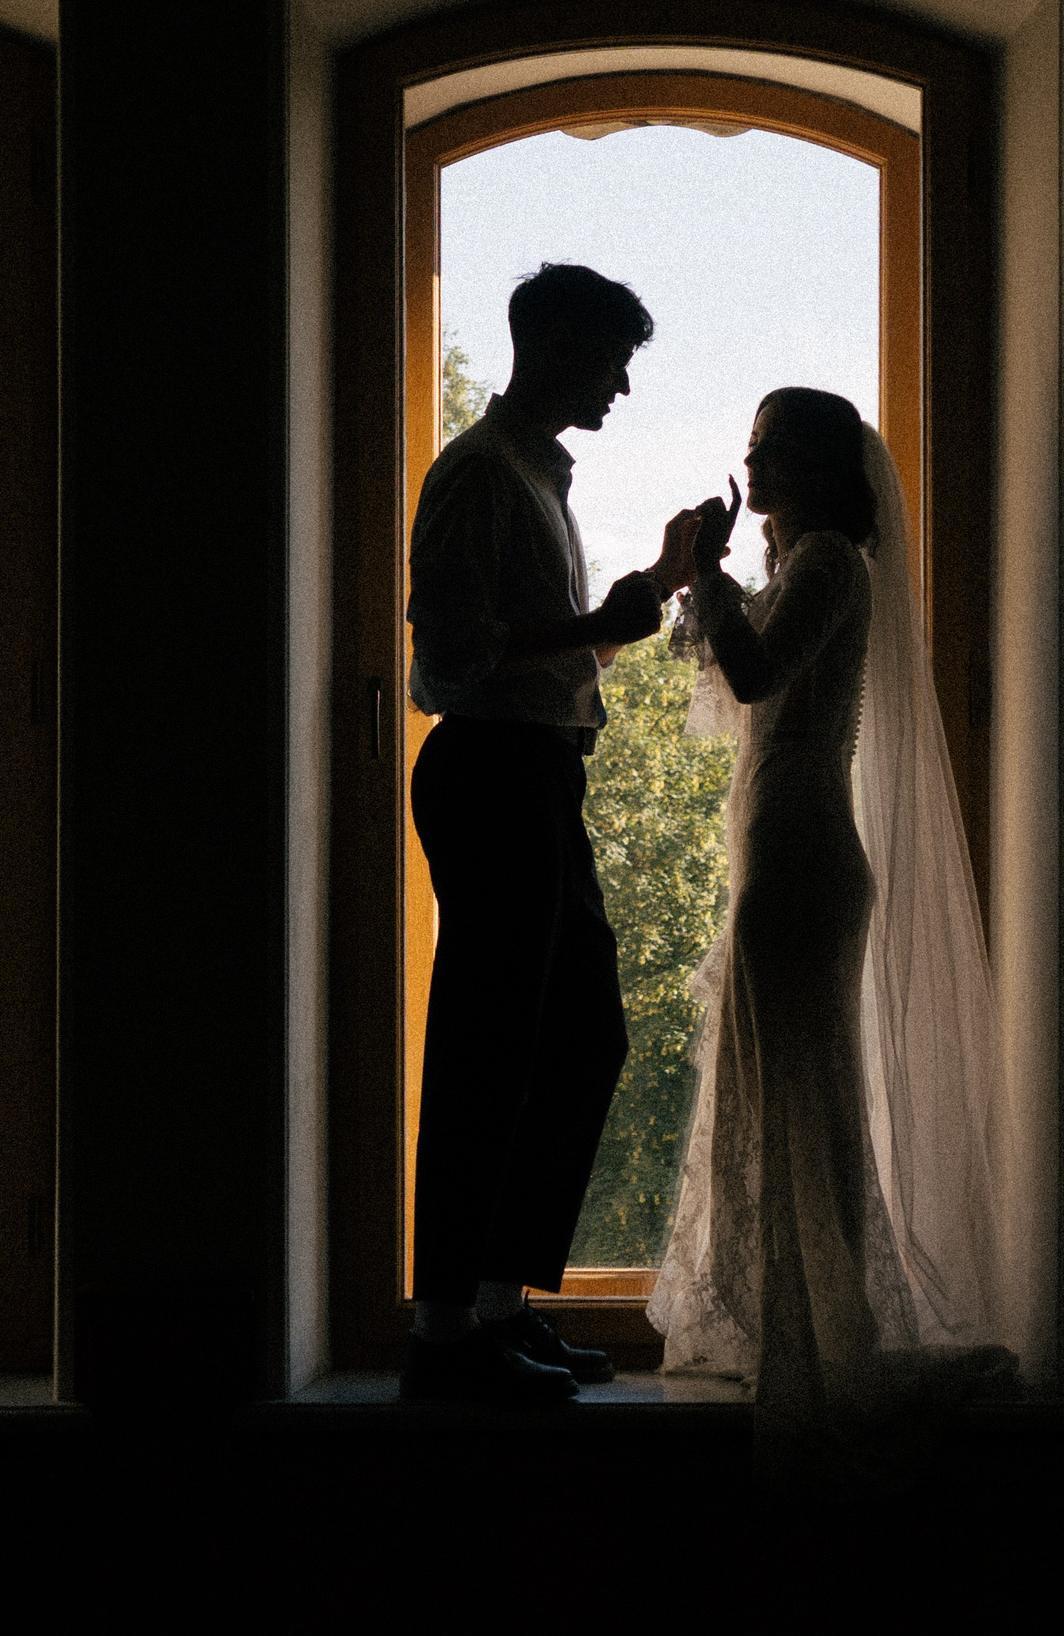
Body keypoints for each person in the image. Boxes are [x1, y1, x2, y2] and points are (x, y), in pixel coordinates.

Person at [651, 387, 1017, 1485]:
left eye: (765, 451)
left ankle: (823, 1344)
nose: (747, 463)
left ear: (810, 465)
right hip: (784, 848)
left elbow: (755, 676)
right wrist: (706, 575)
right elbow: (707, 671)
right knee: (781, 1087)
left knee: (804, 1090)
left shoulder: (828, 569)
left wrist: (709, 577)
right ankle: (791, 1326)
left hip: (805, 854)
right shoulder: (795, 568)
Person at [400, 262, 702, 1405]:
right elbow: (449, 662)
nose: (624, 384)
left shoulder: (530, 471)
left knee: (579, 1040)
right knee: (492, 1049)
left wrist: (647, 593)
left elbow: (546, 650)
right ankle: (446, 1339)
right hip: (491, 776)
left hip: (533, 776)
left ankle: (491, 1311)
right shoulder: (481, 474)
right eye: (612, 358)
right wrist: (598, 619)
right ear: (556, 346)